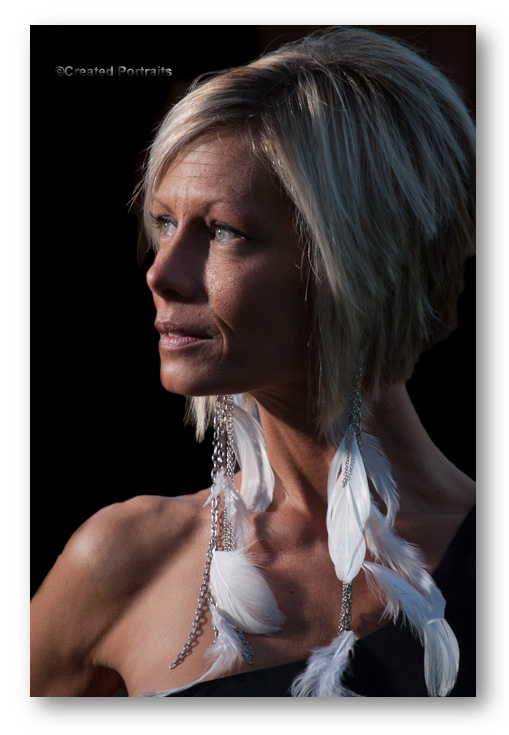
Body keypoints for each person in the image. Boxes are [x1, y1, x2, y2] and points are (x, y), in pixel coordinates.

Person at [30, 26, 475, 697]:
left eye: (222, 230)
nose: (162, 272)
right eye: (162, 223)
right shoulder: (124, 561)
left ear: (354, 260)